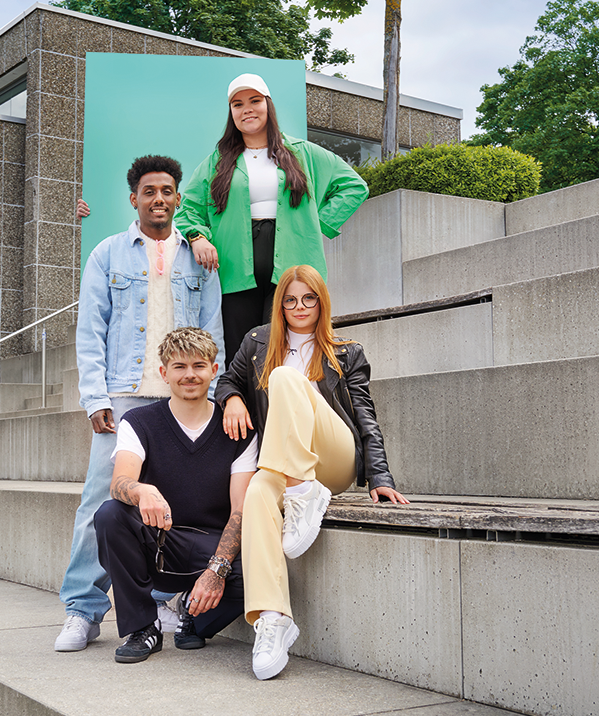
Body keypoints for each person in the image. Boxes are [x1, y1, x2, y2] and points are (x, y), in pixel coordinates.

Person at [54, 156, 224, 652]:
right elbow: (91, 332)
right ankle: (82, 611)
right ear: (134, 199)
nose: (159, 199)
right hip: (126, 394)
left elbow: (212, 329)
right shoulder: (107, 254)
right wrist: (95, 397)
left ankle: (163, 599)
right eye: (149, 191)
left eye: (167, 191)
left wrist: (211, 393)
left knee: (181, 502)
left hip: (185, 394)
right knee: (101, 502)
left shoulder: (200, 257)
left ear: (177, 198)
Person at [214, 264, 409, 680]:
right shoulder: (256, 343)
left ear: (322, 303)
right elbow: (226, 381)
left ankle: (305, 490)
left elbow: (365, 417)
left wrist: (380, 478)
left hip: (333, 459)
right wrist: (232, 398)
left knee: (285, 377)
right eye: (290, 300)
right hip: (285, 465)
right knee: (258, 493)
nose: (299, 307)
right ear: (279, 305)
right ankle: (273, 618)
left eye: (309, 299)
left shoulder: (346, 351)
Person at [176, 73, 369, 365]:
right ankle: (242, 410)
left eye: (255, 101)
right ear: (231, 113)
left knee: (287, 351)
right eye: (238, 104)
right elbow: (188, 207)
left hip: (293, 267)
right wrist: (197, 236)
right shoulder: (218, 161)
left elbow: (354, 187)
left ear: (268, 105)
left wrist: (318, 225)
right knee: (242, 352)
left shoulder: (302, 153)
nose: (247, 109)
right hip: (234, 270)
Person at [94, 327, 256, 662]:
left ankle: (193, 622)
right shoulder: (140, 422)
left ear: (214, 370)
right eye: (179, 367)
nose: (189, 375)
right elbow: (119, 482)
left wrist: (217, 569)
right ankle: (143, 628)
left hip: (210, 544)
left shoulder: (238, 429)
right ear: (163, 373)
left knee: (253, 576)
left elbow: (240, 509)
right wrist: (141, 490)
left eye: (198, 365)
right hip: (159, 542)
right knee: (110, 515)